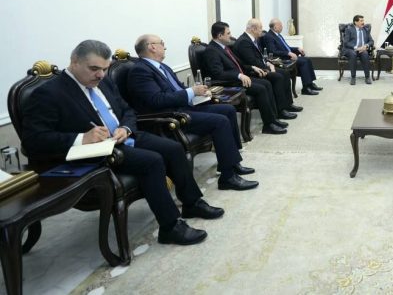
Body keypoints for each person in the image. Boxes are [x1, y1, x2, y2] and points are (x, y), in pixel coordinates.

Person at [22, 40, 222, 246]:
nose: (100, 74)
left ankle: (192, 203)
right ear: (74, 62)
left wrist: (125, 128)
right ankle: (170, 227)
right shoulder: (49, 93)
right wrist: (82, 138)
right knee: (152, 161)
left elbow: (127, 110)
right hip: (95, 151)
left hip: (123, 137)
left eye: (104, 69)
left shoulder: (103, 81)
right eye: (94, 69)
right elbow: (33, 141)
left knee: (173, 148)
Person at [127, 34, 258, 191]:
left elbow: (179, 89)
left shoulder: (163, 66)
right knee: (220, 121)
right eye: (162, 43)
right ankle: (227, 178)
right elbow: (156, 100)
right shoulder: (140, 71)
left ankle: (232, 162)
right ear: (152, 47)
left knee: (228, 110)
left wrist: (199, 93)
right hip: (172, 116)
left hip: (185, 107)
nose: (165, 46)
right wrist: (191, 92)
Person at [202, 21, 288, 135]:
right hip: (229, 82)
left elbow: (239, 64)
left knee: (266, 83)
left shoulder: (224, 47)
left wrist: (252, 67)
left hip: (240, 77)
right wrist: (239, 75)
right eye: (228, 33)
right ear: (220, 36)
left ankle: (273, 119)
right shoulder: (211, 50)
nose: (230, 35)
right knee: (261, 88)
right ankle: (268, 125)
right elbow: (218, 73)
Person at [233, 18, 303, 115]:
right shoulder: (244, 42)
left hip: (261, 66)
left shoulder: (253, 39)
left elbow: (260, 57)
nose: (262, 30)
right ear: (253, 29)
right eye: (260, 28)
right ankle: (280, 110)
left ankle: (288, 104)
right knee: (278, 77)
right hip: (253, 71)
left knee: (285, 73)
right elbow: (252, 61)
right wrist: (268, 67)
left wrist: (268, 63)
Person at [264, 18, 322, 96]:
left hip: (287, 56)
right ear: (275, 27)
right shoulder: (269, 36)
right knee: (304, 62)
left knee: (307, 60)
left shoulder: (278, 35)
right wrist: (288, 53)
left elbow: (287, 47)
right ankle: (305, 88)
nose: (282, 27)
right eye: (280, 25)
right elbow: (273, 51)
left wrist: (297, 49)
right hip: (282, 58)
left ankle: (310, 84)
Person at [342, 14, 375, 85]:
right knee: (353, 54)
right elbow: (346, 42)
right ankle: (353, 77)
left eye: (363, 20)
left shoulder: (365, 29)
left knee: (365, 54)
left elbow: (371, 41)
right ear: (355, 22)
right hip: (351, 49)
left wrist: (366, 46)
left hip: (362, 49)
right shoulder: (349, 29)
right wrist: (356, 48)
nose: (363, 22)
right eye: (361, 21)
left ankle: (367, 77)